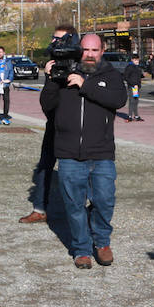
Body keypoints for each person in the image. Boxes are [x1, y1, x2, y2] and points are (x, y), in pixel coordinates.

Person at [39, 32, 127, 268]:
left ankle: (102, 242)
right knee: (74, 205)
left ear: (102, 50)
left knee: (105, 201)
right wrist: (50, 79)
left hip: (102, 153)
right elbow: (47, 107)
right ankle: (81, 250)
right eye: (86, 50)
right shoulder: (64, 73)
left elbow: (118, 100)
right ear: (79, 50)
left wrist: (85, 85)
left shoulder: (111, 75)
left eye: (94, 50)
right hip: (68, 154)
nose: (89, 55)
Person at [19, 24, 76, 224]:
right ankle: (39, 208)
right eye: (54, 38)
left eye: (58, 39)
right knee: (45, 165)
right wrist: (49, 76)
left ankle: (82, 211)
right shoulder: (52, 63)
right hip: (54, 123)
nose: (54, 42)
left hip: (75, 126)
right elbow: (47, 102)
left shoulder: (79, 63)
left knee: (79, 170)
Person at [123, 53, 144, 122]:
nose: (137, 61)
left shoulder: (138, 67)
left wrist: (139, 84)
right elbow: (126, 77)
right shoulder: (129, 67)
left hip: (137, 87)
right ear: (132, 60)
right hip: (132, 86)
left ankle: (136, 116)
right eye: (135, 60)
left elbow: (139, 77)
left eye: (138, 60)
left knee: (136, 101)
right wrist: (133, 84)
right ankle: (129, 116)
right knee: (132, 101)